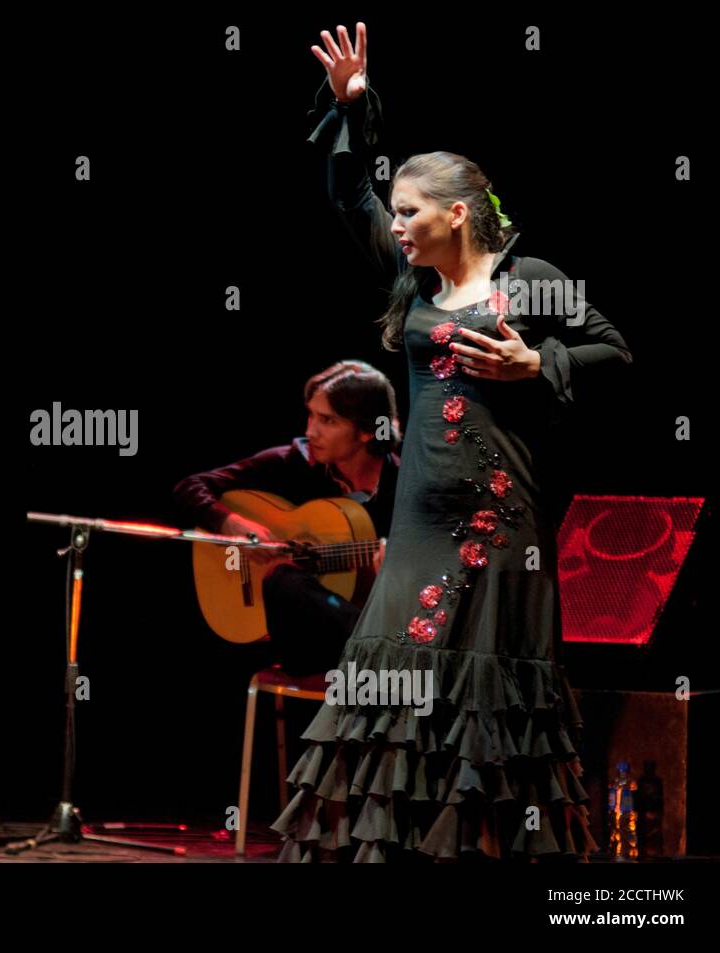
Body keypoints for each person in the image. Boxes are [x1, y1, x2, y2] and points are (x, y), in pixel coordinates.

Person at [272, 23, 632, 862]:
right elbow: (344, 194)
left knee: (490, 720)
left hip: (503, 536)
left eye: (410, 213)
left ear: (457, 213)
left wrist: (533, 364)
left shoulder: (531, 279)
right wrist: (357, 108)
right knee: (384, 704)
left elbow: (617, 351)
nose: (395, 226)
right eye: (395, 214)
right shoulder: (411, 283)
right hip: (418, 535)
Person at [173, 360, 401, 675]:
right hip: (308, 645)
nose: (310, 431)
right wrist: (234, 525)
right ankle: (380, 656)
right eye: (311, 415)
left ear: (365, 430)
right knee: (283, 580)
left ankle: (377, 654)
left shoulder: (406, 485)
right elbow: (189, 488)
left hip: (376, 626)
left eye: (328, 420)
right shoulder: (293, 463)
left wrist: (393, 577)